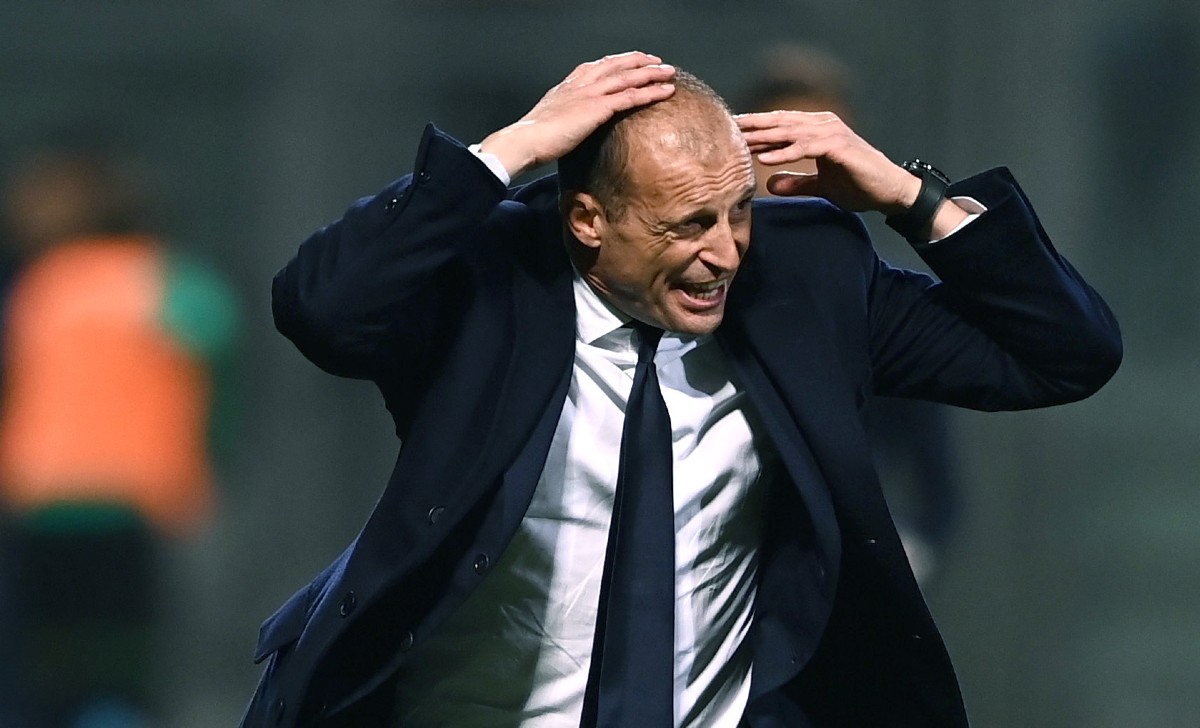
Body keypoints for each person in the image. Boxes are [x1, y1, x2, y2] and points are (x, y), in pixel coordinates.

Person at [242, 52, 1120, 727]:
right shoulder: (490, 280)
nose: (727, 251)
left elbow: (1064, 354)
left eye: (738, 210)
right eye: (690, 223)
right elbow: (321, 308)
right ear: (588, 220)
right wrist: (511, 149)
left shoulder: (803, 278)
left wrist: (906, 194)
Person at [0, 140, 240, 727]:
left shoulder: (41, 287)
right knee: (132, 659)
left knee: (52, 659)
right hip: (141, 499)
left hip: (41, 496)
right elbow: (221, 368)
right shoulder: (172, 282)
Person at [742, 44, 962, 585]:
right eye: (776, 146)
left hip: (838, 567)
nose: (794, 167)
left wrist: (907, 554)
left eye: (816, 148)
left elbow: (937, 470)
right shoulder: (688, 278)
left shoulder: (886, 296)